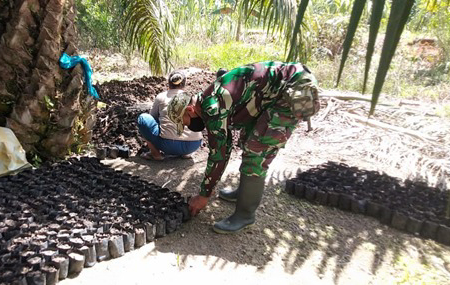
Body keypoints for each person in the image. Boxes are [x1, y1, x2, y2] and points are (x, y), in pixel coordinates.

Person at [168, 61, 320, 233]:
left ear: (189, 110)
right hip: (273, 94)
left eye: (185, 122)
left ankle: (245, 215)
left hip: (292, 92)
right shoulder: (205, 99)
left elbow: (220, 153)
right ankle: (244, 192)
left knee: (256, 153)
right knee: (248, 138)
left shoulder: (212, 108)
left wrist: (204, 195)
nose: (188, 127)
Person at [137, 71, 203, 161]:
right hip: (194, 144)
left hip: (168, 145)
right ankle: (186, 153)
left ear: (169, 83)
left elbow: (152, 117)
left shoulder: (161, 97)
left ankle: (155, 154)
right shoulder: (192, 98)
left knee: (143, 118)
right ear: (184, 84)